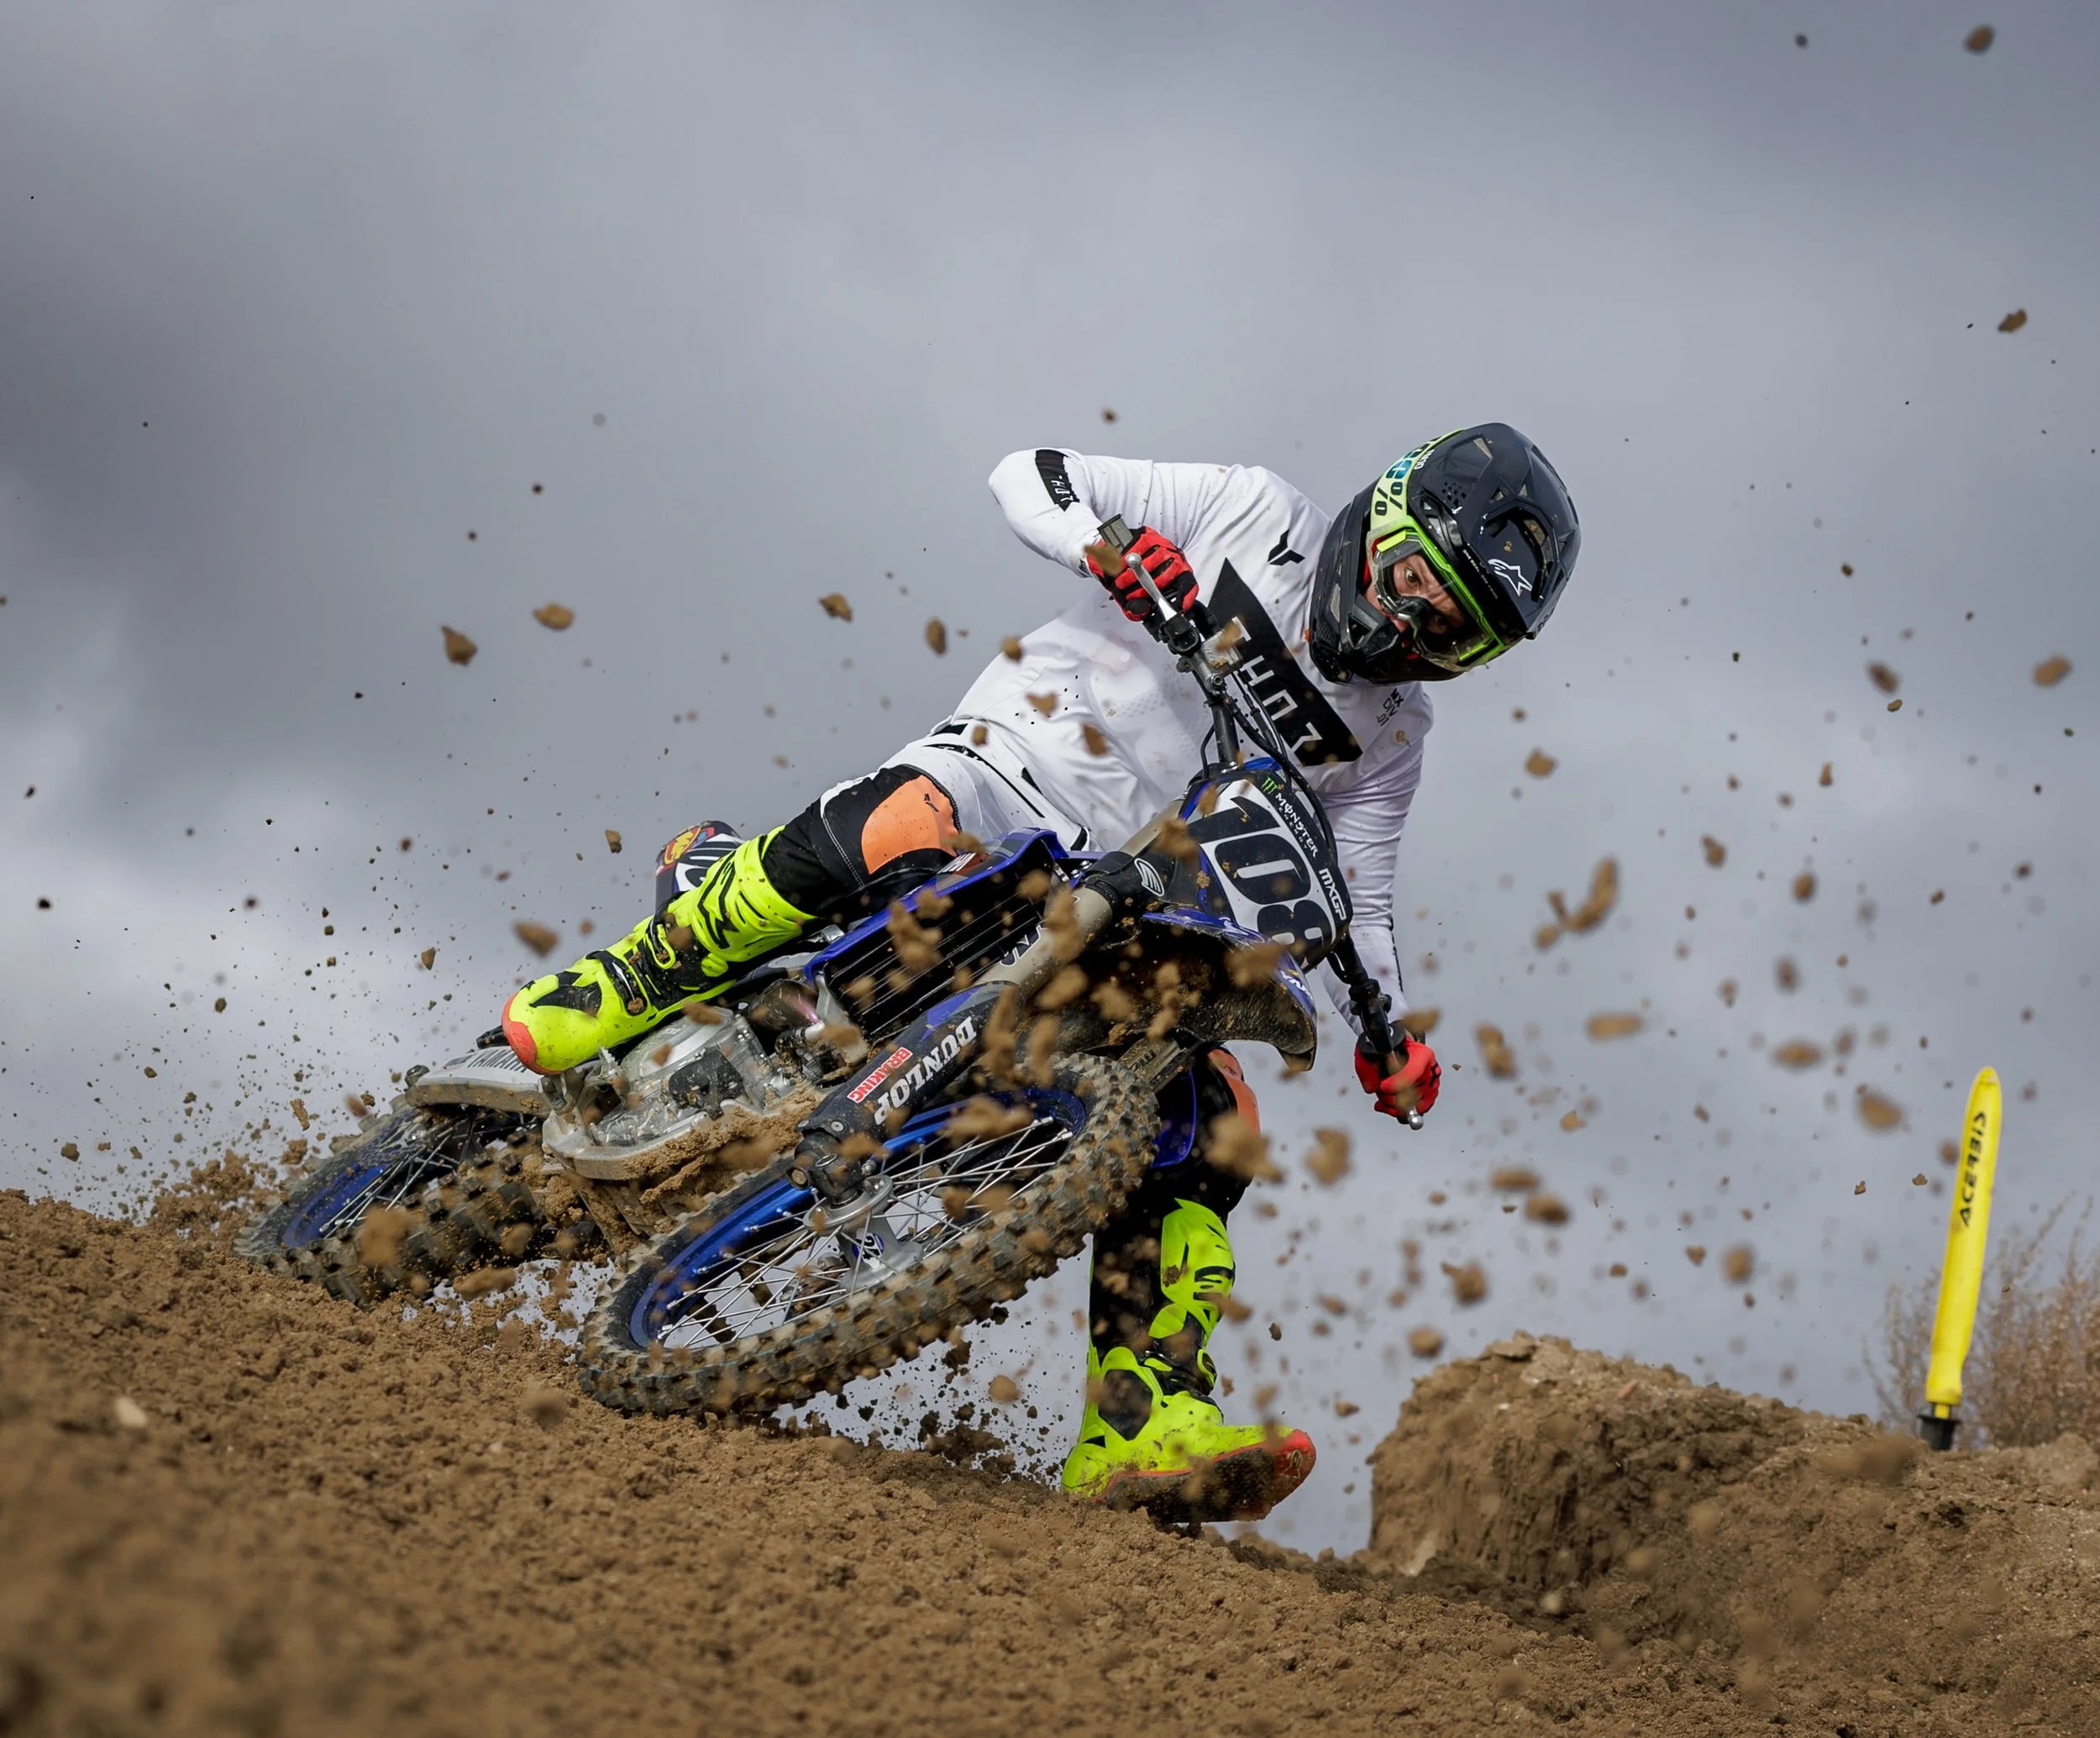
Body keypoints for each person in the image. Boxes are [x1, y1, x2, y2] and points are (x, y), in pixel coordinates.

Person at [503, 425, 1580, 1520]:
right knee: (901, 822)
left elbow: (1364, 892)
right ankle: (638, 977)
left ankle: (1137, 1415)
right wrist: (1105, 547)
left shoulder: (1395, 729)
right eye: (1417, 588)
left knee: (1214, 1115)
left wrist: (1387, 1034)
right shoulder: (1255, 513)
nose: (1412, 631)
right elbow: (1031, 473)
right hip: (1008, 775)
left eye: (1454, 637)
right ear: (1383, 514)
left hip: (1138, 890)